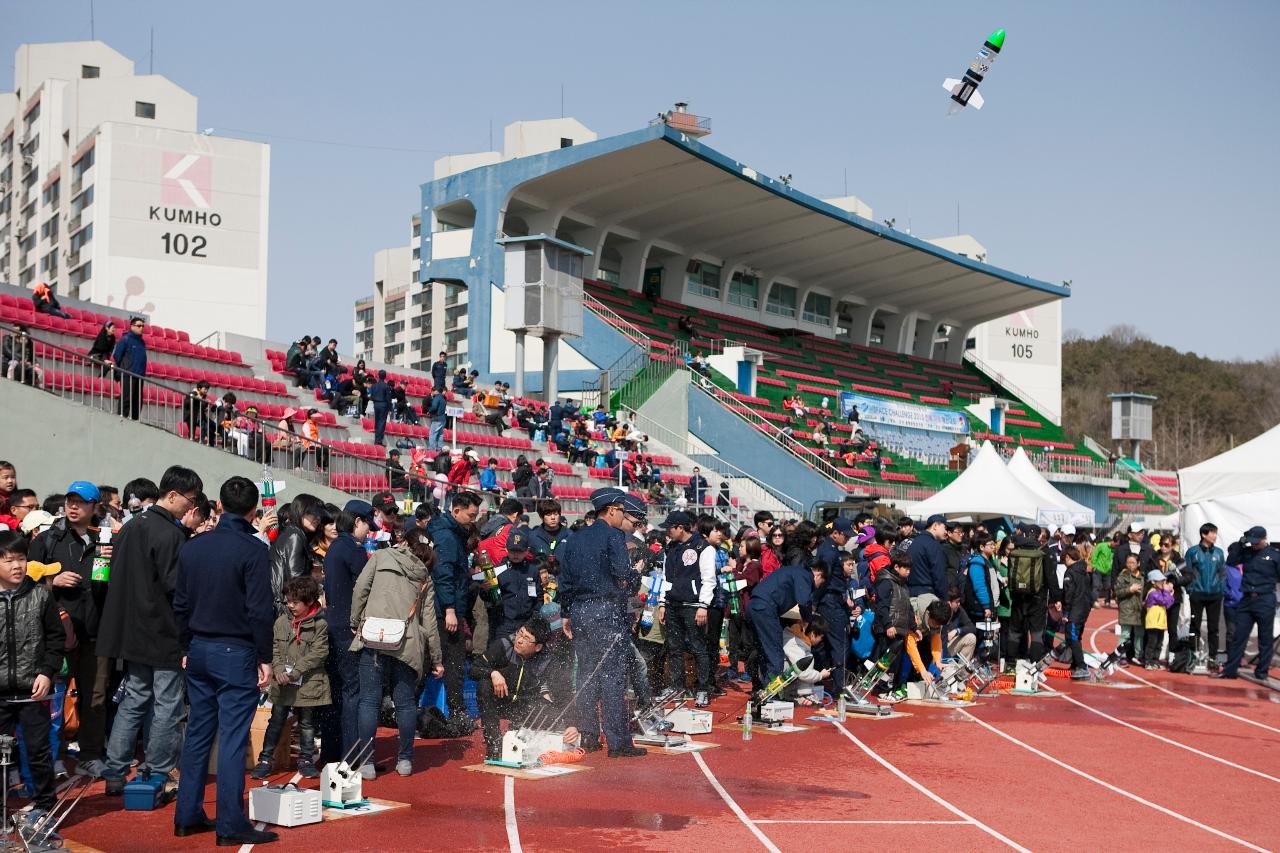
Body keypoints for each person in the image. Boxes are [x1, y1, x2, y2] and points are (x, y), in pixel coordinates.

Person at [172, 475, 277, 846]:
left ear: (217, 505)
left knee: (199, 733)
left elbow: (180, 604)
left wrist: (186, 646)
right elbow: (260, 610)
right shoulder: (253, 550)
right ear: (253, 511)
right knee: (233, 739)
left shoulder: (193, 547)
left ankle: (187, 815)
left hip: (199, 647)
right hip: (235, 649)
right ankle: (229, 824)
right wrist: (265, 657)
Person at [98, 465, 202, 797]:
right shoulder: (170, 534)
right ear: (172, 495)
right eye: (190, 500)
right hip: (162, 630)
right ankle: (157, 770)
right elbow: (177, 588)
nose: (191, 508)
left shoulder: (132, 526)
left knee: (133, 699)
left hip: (130, 630)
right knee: (168, 704)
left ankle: (115, 770)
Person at [27, 481, 112, 776]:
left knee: (95, 696)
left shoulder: (104, 538)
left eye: (81, 502)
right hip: (56, 633)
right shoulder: (47, 539)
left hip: (96, 631)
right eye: (70, 501)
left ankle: (90, 753)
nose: (73, 507)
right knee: (52, 698)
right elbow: (23, 581)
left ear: (94, 507)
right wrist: (54, 582)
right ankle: (53, 754)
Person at [558, 488, 645, 757]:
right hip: (606, 609)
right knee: (612, 677)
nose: (623, 518)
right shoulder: (613, 536)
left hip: (579, 610)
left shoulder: (573, 539)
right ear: (612, 510)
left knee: (586, 674)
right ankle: (618, 743)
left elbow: (565, 581)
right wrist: (635, 574)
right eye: (622, 512)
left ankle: (589, 736)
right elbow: (622, 575)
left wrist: (566, 613)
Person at [351, 528, 443, 778]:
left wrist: (355, 621)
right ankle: (404, 760)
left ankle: (367, 762)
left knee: (369, 700)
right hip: (407, 642)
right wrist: (436, 658)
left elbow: (360, 588)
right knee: (405, 703)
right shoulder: (424, 576)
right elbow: (429, 621)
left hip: (373, 636)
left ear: (403, 541)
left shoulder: (380, 557)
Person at [472, 618, 573, 760]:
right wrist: (493, 673)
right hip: (500, 700)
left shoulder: (547, 660)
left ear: (537, 647)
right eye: (520, 633)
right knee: (484, 685)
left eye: (526, 638)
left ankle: (523, 737)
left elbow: (564, 693)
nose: (519, 640)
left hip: (525, 704)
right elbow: (474, 668)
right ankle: (494, 744)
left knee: (554, 714)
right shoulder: (504, 645)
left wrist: (571, 725)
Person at [318, 501, 371, 765]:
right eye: (367, 523)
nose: (369, 530)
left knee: (336, 691)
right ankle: (353, 755)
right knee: (353, 692)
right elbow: (365, 589)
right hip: (349, 628)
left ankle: (331, 753)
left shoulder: (334, 548)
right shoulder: (353, 550)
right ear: (357, 521)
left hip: (332, 624)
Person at [428, 491, 481, 733]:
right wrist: (450, 609)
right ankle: (458, 714)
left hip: (448, 605)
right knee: (454, 663)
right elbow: (444, 574)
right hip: (446, 610)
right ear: (456, 511)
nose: (473, 520)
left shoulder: (452, 532)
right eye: (470, 515)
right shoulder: (448, 537)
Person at [657, 512, 716, 707]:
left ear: (680, 527)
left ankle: (702, 689)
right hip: (673, 604)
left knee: (699, 648)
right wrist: (662, 603)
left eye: (670, 528)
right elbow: (666, 579)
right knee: (674, 648)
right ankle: (677, 687)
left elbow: (709, 580)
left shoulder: (703, 547)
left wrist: (703, 605)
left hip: (694, 606)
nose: (667, 531)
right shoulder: (670, 548)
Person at [1215, 526, 1279, 680]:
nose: (1255, 545)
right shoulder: (1247, 552)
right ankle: (1230, 670)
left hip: (1265, 598)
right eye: (1252, 542)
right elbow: (1231, 561)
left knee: (1265, 638)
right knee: (1239, 636)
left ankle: (1261, 672)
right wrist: (1240, 543)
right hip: (1247, 599)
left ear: (1264, 539)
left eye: (1257, 542)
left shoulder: (1275, 555)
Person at [747, 559, 823, 687]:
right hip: (767, 609)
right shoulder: (804, 575)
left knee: (764, 651)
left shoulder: (791, 572)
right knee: (775, 654)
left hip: (755, 606)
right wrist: (806, 619)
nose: (818, 587)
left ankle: (760, 688)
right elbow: (803, 601)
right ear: (818, 575)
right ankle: (772, 694)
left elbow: (787, 603)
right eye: (821, 583)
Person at [270, 494, 324, 615]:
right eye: (313, 513)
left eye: (319, 514)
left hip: (286, 604)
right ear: (300, 511)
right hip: (287, 607)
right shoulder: (295, 536)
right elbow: (296, 580)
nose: (317, 518)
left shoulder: (293, 532)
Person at [1185, 523, 1226, 671]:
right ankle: (1192, 656)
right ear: (1204, 535)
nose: (1215, 536)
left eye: (1216, 533)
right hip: (1197, 595)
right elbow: (1187, 573)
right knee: (1194, 626)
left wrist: (1220, 589)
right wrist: (1191, 590)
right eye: (1212, 533)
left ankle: (1213, 658)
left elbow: (1222, 574)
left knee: (1213, 628)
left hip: (1215, 596)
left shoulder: (1219, 553)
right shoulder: (1192, 552)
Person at [490, 530, 543, 641]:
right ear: (506, 549)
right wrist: (486, 590)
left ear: (526, 551)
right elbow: (489, 597)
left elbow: (538, 597)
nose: (515, 554)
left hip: (526, 624)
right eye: (512, 551)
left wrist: (534, 618)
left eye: (519, 551)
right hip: (504, 624)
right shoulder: (498, 570)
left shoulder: (532, 570)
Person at [1059, 546, 1092, 678]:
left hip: (1075, 610)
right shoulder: (1084, 571)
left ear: (1067, 557)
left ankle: (1081, 665)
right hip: (1084, 608)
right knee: (1077, 636)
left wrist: (1066, 612)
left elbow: (1068, 593)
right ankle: (1075, 663)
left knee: (1072, 637)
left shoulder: (1070, 572)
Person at [112, 317, 148, 421]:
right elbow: (117, 356)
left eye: (142, 326)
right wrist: (126, 367)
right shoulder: (125, 339)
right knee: (126, 399)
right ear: (132, 326)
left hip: (139, 375)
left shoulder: (141, 342)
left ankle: (135, 421)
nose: (141, 328)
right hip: (128, 374)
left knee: (137, 401)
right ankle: (121, 419)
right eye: (139, 325)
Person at [908, 514, 949, 602]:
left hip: (911, 595)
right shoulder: (933, 545)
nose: (946, 532)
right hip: (928, 596)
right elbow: (939, 575)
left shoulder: (915, 542)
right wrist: (945, 599)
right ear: (935, 526)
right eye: (944, 528)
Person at [1114, 553, 1145, 665]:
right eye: (1128, 562)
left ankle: (1139, 655)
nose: (1130, 565)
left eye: (1133, 562)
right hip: (1126, 609)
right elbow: (1117, 592)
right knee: (1125, 634)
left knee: (1139, 634)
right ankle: (1121, 656)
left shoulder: (1142, 577)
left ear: (1138, 563)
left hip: (1139, 609)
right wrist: (1130, 589)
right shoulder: (1123, 576)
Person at [1143, 571, 1175, 669]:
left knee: (1159, 643)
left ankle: (1155, 660)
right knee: (1152, 642)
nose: (1163, 583)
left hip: (1160, 622)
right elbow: (1165, 602)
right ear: (1153, 582)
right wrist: (1167, 592)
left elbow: (1169, 604)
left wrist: (1169, 595)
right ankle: (1148, 661)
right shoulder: (1152, 593)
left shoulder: (1160, 592)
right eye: (1161, 581)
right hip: (1153, 622)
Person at [528, 499, 571, 563]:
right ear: (541, 516)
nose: (553, 517)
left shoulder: (570, 535)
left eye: (556, 514)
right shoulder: (533, 537)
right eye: (549, 515)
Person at [369, 370, 392, 446]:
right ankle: (379, 441)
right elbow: (388, 399)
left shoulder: (374, 386)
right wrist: (390, 408)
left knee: (377, 422)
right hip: (383, 405)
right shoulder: (386, 386)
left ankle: (376, 440)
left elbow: (371, 396)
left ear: (378, 376)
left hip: (376, 404)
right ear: (385, 377)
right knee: (381, 423)